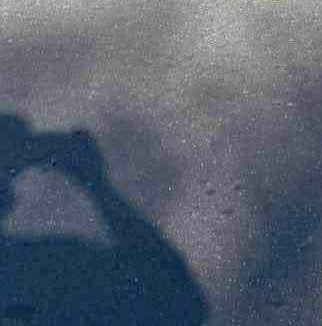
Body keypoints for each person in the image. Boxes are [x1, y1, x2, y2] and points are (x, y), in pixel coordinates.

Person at [0, 114, 207, 325]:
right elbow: (179, 307)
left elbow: (180, 309)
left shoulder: (34, 267)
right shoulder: (40, 270)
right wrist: (96, 185)